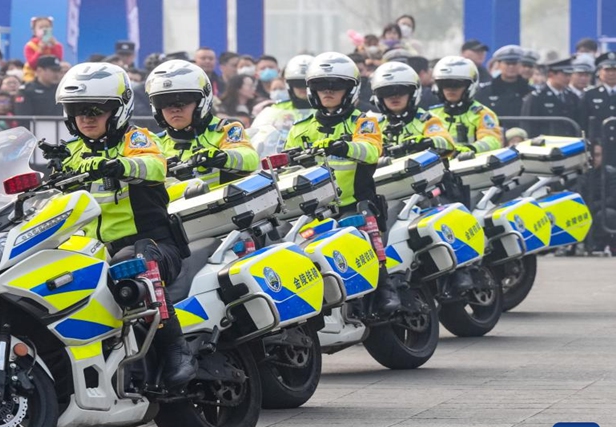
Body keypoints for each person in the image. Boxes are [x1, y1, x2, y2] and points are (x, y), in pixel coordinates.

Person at [56, 62, 196, 387]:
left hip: (156, 246)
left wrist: (117, 165)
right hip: (91, 252)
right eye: (78, 110)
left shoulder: (139, 139)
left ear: (118, 110)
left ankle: (178, 349)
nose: (87, 117)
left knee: (131, 264)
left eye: (96, 110)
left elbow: (153, 166)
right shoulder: (68, 153)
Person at [284, 52, 400, 313]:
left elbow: (371, 151)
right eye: (321, 86)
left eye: (336, 86)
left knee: (367, 237)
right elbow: (286, 166)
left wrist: (344, 146)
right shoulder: (299, 129)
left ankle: (384, 287)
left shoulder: (364, 121)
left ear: (350, 89)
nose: (328, 91)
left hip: (353, 203)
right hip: (313, 209)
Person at [146, 60, 259, 188]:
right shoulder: (155, 142)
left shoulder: (226, 129)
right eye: (163, 102)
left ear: (201, 101)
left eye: (181, 102)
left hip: (220, 204)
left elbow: (250, 159)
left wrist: (220, 157)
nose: (174, 109)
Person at [370, 61, 453, 154]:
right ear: (378, 97)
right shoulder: (375, 125)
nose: (394, 97)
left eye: (401, 91)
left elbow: (447, 143)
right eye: (386, 92)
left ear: (413, 93)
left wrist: (422, 142)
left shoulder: (426, 120)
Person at [429, 56, 502, 153]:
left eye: (457, 84)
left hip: (470, 165)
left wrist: (471, 149)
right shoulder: (431, 115)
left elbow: (493, 141)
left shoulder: (482, 114)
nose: (451, 89)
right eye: (445, 84)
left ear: (470, 86)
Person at [521, 58, 581, 136]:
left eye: (570, 75)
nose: (568, 78)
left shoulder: (572, 96)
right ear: (551, 74)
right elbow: (528, 125)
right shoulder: (537, 97)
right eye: (565, 75)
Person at [576, 141, 616, 253]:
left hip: (602, 209)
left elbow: (614, 199)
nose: (594, 159)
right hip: (583, 208)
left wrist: (594, 205)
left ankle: (605, 245)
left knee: (607, 215)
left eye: (598, 155)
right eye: (592, 156)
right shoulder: (581, 173)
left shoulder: (611, 173)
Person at [476, 45, 533, 118]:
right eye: (507, 63)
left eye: (514, 63)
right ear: (499, 65)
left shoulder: (530, 92)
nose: (511, 67)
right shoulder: (485, 91)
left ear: (520, 65)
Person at [580, 52, 616, 141]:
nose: (611, 73)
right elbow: (583, 122)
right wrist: (593, 143)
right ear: (599, 72)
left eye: (614, 70)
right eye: (607, 70)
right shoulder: (590, 94)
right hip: (600, 144)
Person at [23, 16, 63, 83]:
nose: (44, 30)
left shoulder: (57, 45)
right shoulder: (30, 45)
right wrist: (40, 50)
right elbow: (32, 64)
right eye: (41, 28)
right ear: (34, 31)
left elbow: (58, 60)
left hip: (52, 76)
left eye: (47, 27)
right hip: (32, 76)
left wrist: (54, 46)